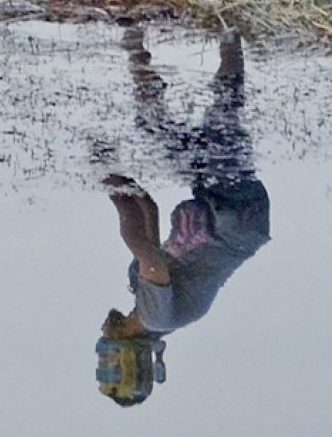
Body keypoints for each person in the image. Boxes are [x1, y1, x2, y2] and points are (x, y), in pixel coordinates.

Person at [96, 22, 271, 405]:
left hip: (221, 210)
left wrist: (111, 177)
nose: (101, 350)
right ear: (128, 358)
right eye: (110, 363)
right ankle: (230, 27)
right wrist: (108, 179)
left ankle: (135, 44)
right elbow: (143, 247)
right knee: (222, 118)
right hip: (235, 219)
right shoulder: (157, 317)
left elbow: (148, 208)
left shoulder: (145, 298)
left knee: (154, 125)